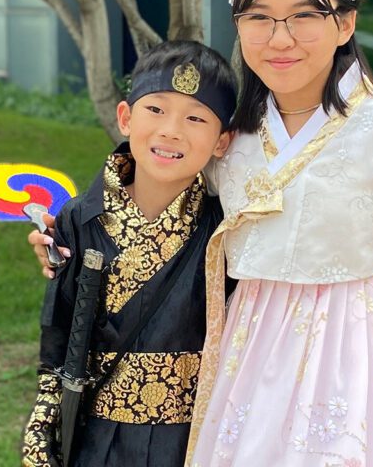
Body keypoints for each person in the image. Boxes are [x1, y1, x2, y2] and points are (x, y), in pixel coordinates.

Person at [31, 0, 373, 467]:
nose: (280, 38)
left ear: (345, 21)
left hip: (362, 369)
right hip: (246, 365)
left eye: (305, 15)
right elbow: (155, 199)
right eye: (259, 17)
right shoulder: (230, 139)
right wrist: (66, 235)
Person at [21, 40, 237, 467]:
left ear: (222, 142)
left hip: (192, 438)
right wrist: (46, 416)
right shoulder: (80, 219)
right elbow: (60, 325)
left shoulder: (224, 228)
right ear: (125, 117)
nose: (171, 130)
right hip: (96, 431)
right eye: (155, 110)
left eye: (195, 118)